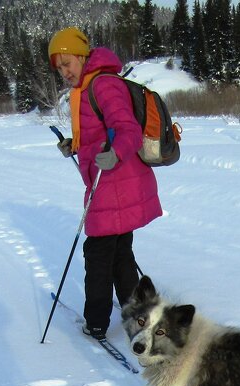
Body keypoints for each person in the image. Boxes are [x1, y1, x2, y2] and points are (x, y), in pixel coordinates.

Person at [48, 27, 162, 340]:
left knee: (98, 253)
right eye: (59, 67)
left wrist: (115, 155)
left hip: (113, 183)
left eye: (68, 62)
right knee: (120, 251)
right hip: (115, 183)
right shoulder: (90, 85)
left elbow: (128, 131)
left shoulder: (104, 84)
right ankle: (135, 315)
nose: (65, 71)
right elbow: (99, 132)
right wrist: (74, 144)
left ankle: (96, 323)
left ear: (83, 56)